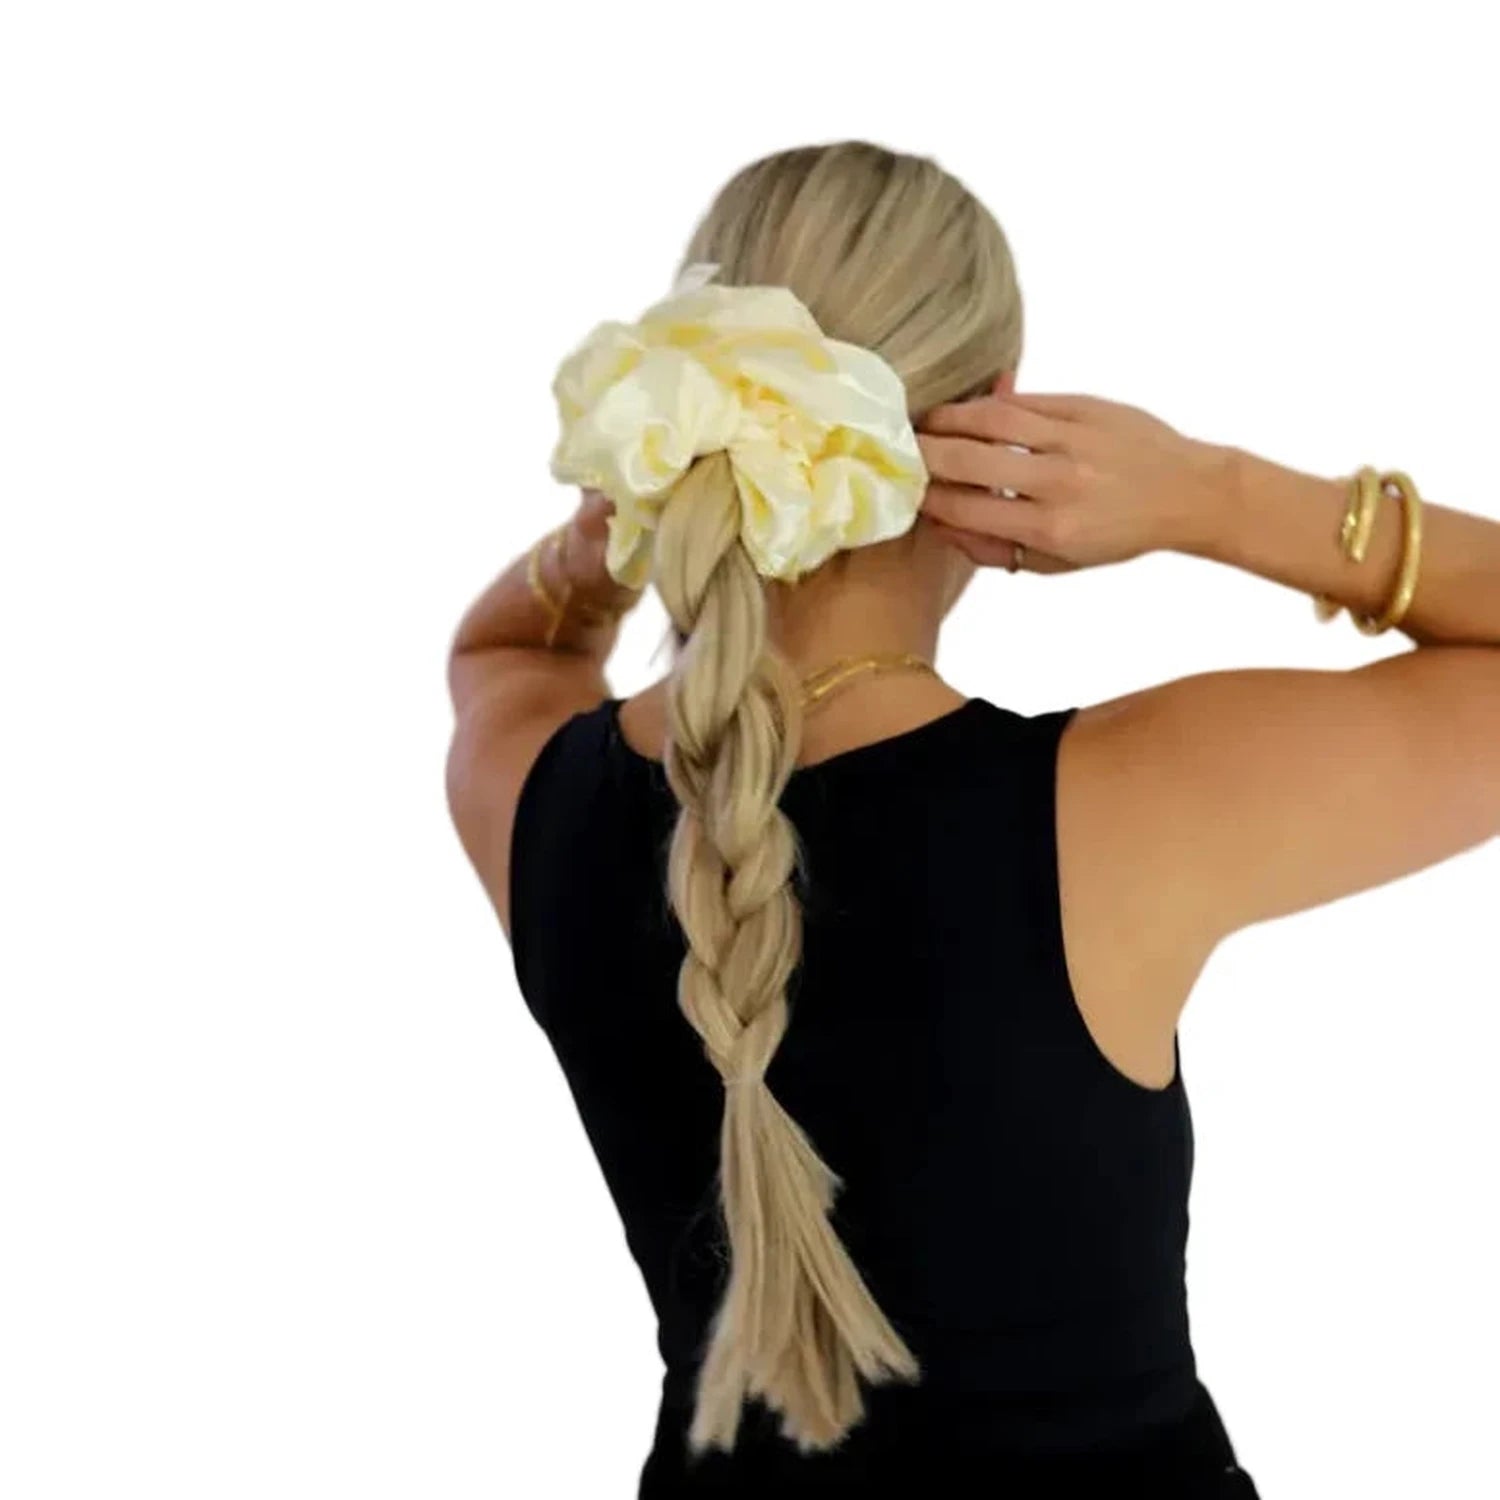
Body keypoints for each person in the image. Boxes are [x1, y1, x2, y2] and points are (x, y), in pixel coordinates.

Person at [443, 141, 1500, 1498]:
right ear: (997, 412)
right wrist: (1214, 493)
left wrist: (617, 532)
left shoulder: (537, 797)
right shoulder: (1129, 803)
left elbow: (501, 655)